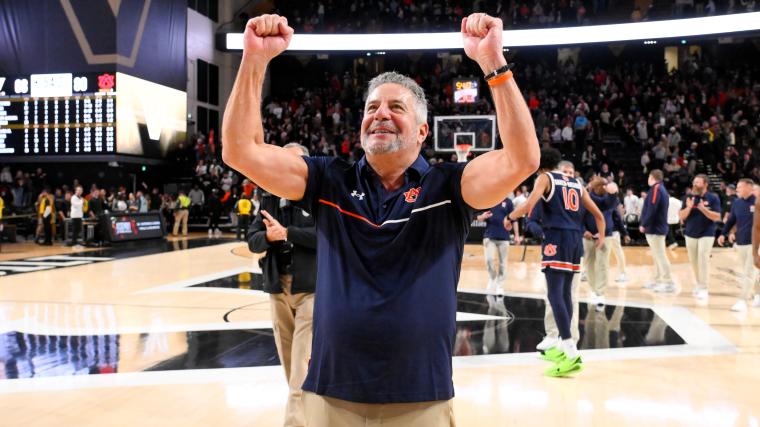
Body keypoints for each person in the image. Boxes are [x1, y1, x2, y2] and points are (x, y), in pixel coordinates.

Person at [223, 12, 539, 425]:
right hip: (330, 395)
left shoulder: (449, 187)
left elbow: (522, 159)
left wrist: (492, 64)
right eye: (372, 107)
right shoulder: (328, 180)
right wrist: (255, 61)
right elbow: (239, 150)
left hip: (420, 398)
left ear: (424, 132)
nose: (381, 114)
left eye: (396, 107)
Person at [509, 148, 605, 377]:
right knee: (565, 295)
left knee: (555, 295)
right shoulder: (575, 183)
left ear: (540, 164)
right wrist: (601, 235)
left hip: (557, 238)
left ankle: (571, 352)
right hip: (575, 241)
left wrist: (509, 217)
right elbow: (598, 215)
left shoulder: (545, 178)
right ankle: (563, 347)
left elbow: (530, 205)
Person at [247, 143, 317, 427]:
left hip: (311, 288)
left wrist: (288, 232)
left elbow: (326, 237)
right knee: (290, 363)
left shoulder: (318, 198)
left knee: (300, 363)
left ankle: (295, 423)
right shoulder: (269, 199)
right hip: (278, 287)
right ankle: (312, 413)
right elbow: (252, 240)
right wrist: (271, 238)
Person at [718, 178, 758, 311]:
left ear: (749, 187)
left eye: (740, 187)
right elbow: (731, 220)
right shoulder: (737, 202)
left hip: (756, 244)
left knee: (749, 272)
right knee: (752, 272)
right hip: (741, 242)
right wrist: (723, 233)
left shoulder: (757, 202)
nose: (737, 189)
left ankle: (742, 301)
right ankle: (758, 294)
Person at [679, 174, 721, 301]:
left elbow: (717, 217)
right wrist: (689, 207)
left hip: (707, 233)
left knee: (703, 258)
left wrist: (703, 209)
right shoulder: (688, 197)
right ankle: (699, 283)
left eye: (697, 182)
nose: (694, 184)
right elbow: (681, 216)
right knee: (694, 260)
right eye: (694, 182)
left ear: (705, 184)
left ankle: (704, 287)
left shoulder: (713, 197)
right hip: (690, 233)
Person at [639, 170, 675, 292]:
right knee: (656, 255)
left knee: (660, 255)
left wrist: (644, 223)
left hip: (655, 228)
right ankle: (658, 279)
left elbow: (652, 208)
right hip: (656, 227)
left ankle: (669, 282)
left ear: (652, 177)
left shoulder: (656, 189)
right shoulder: (659, 189)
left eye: (649, 176)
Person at [476, 197, 517, 294]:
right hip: (489, 236)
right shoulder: (490, 200)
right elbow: (479, 217)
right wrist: (482, 217)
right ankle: (492, 278)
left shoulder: (508, 202)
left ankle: (500, 285)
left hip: (504, 237)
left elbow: (514, 220)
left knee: (503, 263)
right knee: (489, 260)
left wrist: (517, 235)